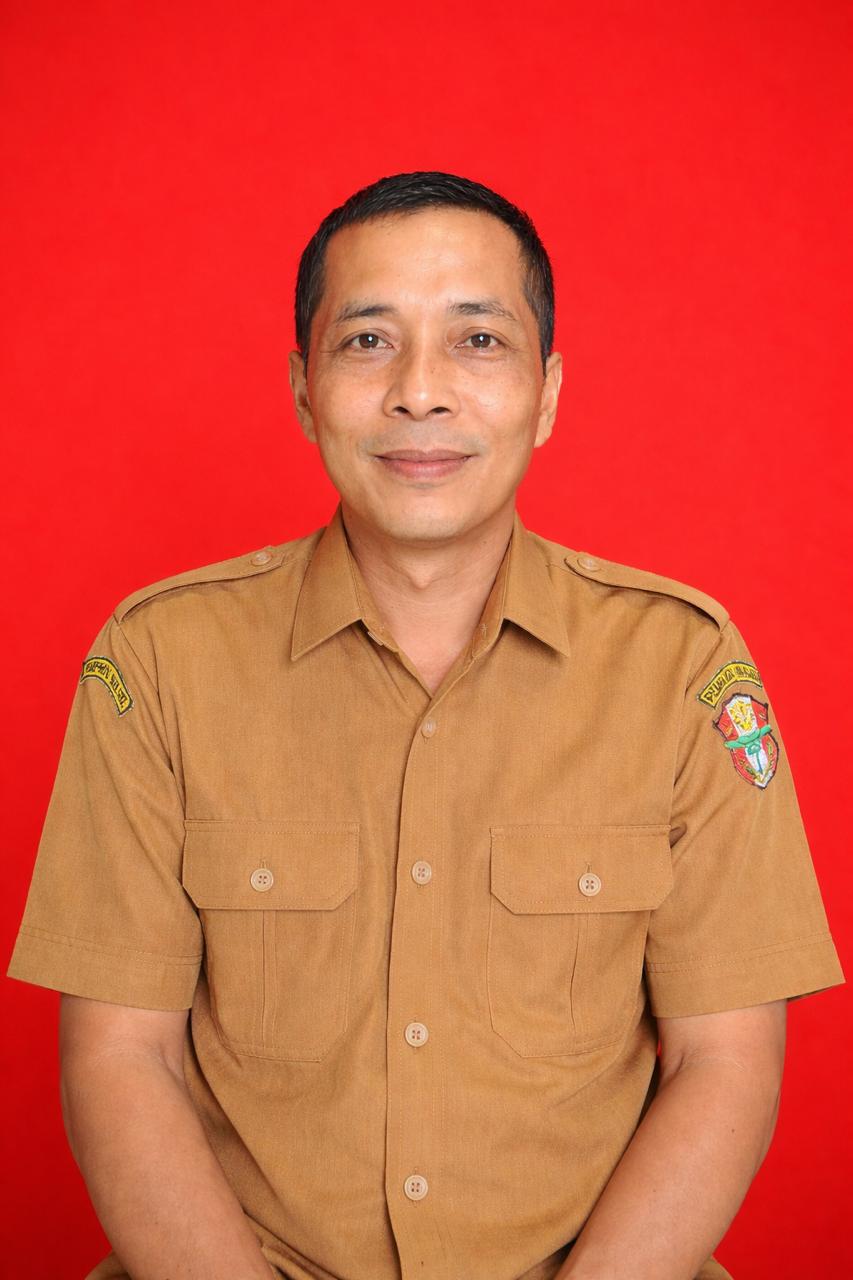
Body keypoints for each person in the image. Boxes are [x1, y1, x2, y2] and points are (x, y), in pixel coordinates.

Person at [7, 170, 844, 1280]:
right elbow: (122, 1058)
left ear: (547, 392)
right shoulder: (157, 660)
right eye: (366, 341)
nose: (419, 393)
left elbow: (722, 1061)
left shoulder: (683, 667)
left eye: (477, 341)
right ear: (303, 389)